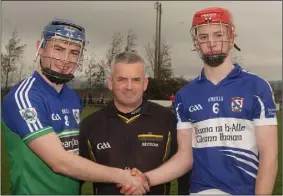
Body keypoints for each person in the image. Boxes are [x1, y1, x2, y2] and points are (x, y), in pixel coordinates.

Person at [119, 7, 278, 195]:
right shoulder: (185, 96)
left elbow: (269, 157)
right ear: (196, 41)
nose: (211, 43)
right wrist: (147, 179)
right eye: (203, 37)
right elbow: (185, 157)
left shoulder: (257, 87)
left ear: (232, 36)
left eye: (218, 34)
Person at [1, 18, 148, 195]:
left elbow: (79, 155)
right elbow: (60, 162)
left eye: (73, 52)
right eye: (58, 49)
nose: (65, 59)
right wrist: (124, 177)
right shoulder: (24, 97)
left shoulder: (73, 98)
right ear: (40, 47)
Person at [79, 51, 178, 195]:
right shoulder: (90, 125)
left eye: (136, 80)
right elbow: (74, 179)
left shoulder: (168, 120)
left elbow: (184, 165)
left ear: (145, 84)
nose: (129, 86)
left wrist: (147, 180)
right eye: (122, 79)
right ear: (110, 83)